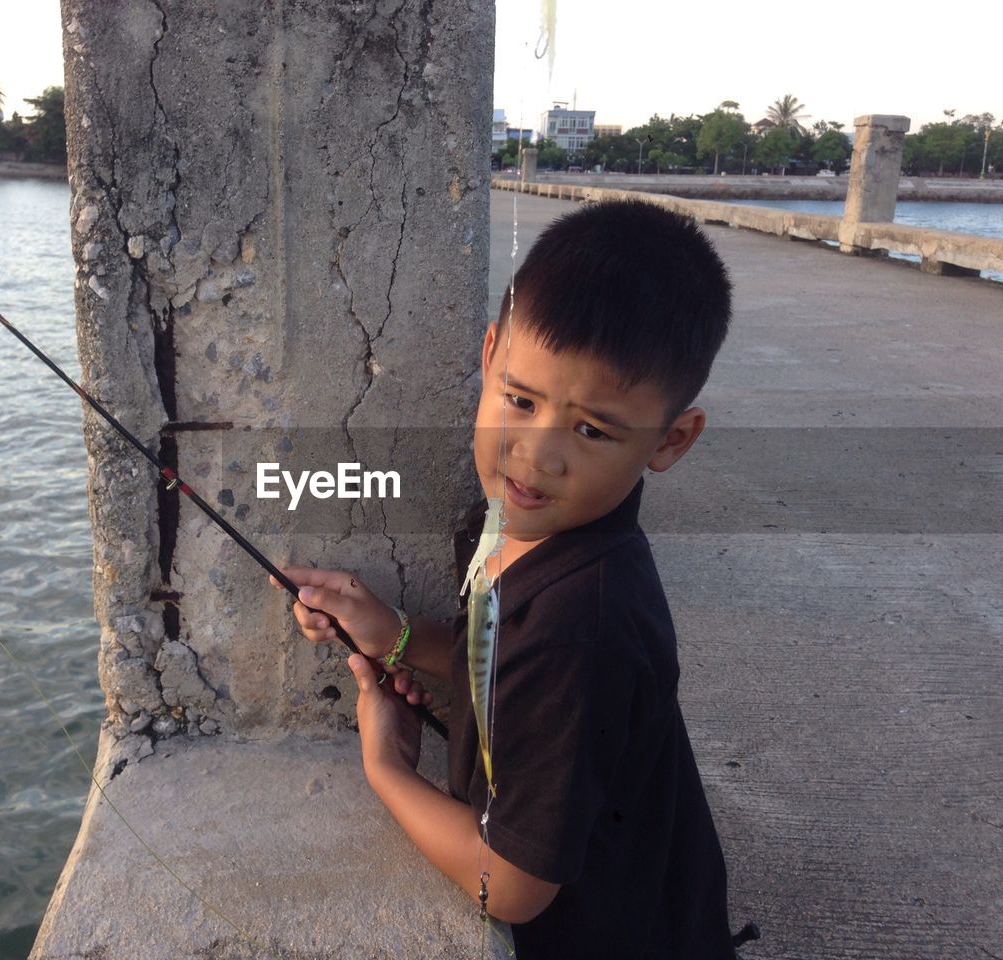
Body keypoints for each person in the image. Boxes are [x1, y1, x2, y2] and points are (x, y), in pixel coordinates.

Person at [272, 199, 744, 957]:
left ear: (672, 439)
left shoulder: (582, 630)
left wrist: (388, 768)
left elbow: (511, 885)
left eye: (591, 430)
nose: (534, 455)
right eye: (519, 400)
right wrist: (392, 637)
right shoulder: (513, 524)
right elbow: (495, 654)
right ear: (489, 356)